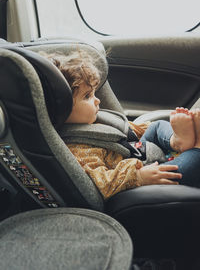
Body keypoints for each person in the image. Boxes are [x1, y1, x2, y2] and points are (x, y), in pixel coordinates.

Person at [42, 50, 200, 199]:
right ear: (62, 109)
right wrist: (138, 176)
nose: (97, 100)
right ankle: (196, 146)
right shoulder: (78, 149)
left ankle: (177, 140)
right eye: (87, 96)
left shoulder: (91, 121)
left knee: (156, 126)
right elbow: (101, 184)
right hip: (143, 180)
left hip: (136, 153)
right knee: (195, 158)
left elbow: (124, 131)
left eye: (94, 93)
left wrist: (142, 130)